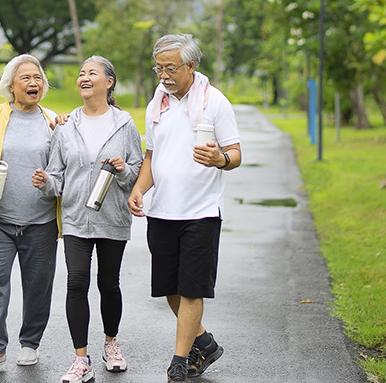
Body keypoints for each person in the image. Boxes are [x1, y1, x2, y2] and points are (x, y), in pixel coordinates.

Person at [127, 34, 242, 383]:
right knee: (170, 288)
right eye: (158, 68)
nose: (163, 74)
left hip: (201, 212)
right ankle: (204, 341)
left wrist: (219, 158)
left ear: (191, 66)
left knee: (192, 289)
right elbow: (152, 156)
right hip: (162, 212)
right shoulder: (156, 104)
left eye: (171, 68)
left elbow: (235, 154)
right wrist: (138, 188)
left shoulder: (215, 102)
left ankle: (180, 359)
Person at [31, 56, 143, 383]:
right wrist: (45, 183)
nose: (84, 77)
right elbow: (57, 176)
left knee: (108, 283)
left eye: (92, 73)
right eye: (81, 73)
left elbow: (137, 172)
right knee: (76, 281)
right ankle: (82, 360)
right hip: (76, 219)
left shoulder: (125, 124)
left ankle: (111, 343)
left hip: (113, 218)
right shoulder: (66, 127)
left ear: (109, 82)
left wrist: (124, 170)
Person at [0, 54, 59, 375]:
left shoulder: (52, 121)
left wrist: (48, 180)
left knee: (38, 285)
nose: (33, 83)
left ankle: (30, 343)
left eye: (37, 78)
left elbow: (62, 167)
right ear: (10, 86)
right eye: (26, 78)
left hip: (41, 222)